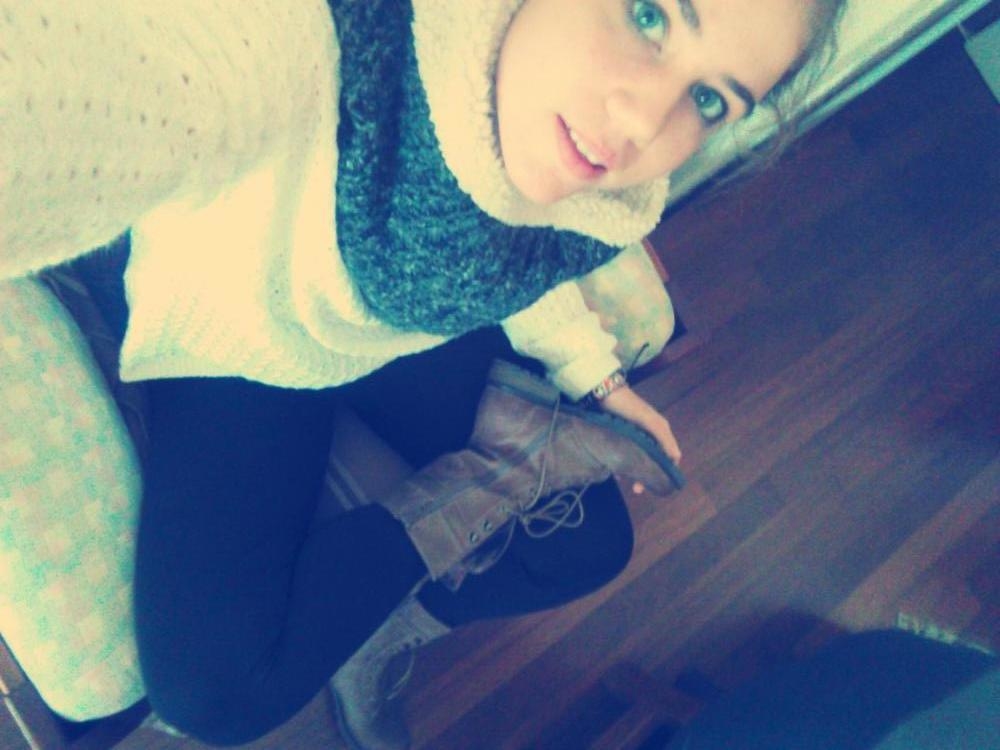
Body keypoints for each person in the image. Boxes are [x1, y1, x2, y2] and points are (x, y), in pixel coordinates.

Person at [0, 0, 846, 746]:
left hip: (387, 332)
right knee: (216, 696)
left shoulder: (570, 145)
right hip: (238, 341)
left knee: (589, 542)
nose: (640, 122)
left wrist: (596, 376)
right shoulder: (294, 50)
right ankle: (437, 533)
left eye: (709, 99)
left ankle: (366, 627)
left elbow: (520, 232)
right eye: (649, 13)